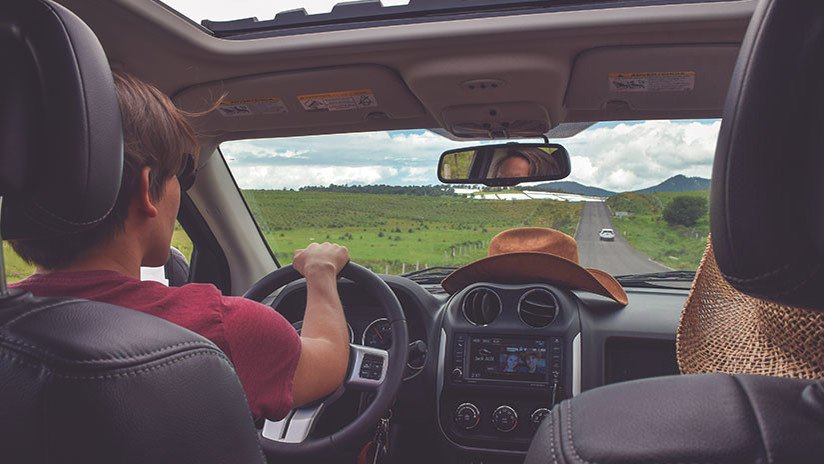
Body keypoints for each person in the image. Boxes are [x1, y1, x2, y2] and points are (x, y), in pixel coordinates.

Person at [9, 71, 350, 422]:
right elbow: (329, 362)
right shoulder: (222, 329)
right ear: (146, 190)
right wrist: (320, 272)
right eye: (180, 175)